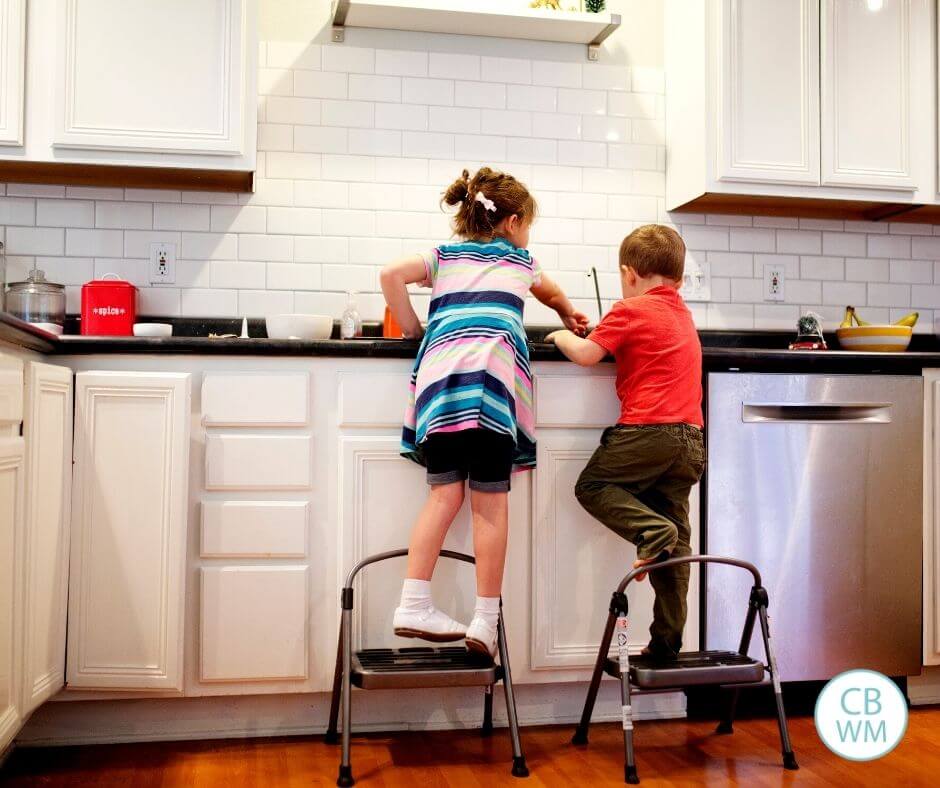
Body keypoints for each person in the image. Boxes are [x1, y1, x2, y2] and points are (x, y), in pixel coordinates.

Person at [381, 167, 589, 657]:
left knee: (442, 497)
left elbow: (390, 275)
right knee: (489, 507)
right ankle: (484, 621)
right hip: (490, 391)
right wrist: (568, 314)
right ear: (514, 222)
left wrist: (414, 328)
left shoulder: (442, 255)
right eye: (529, 225)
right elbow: (551, 291)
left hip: (441, 389)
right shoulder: (521, 260)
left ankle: (413, 602)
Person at [546, 224, 704, 660]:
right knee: (677, 548)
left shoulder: (628, 310)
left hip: (647, 432)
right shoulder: (681, 313)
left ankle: (651, 530)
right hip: (691, 442)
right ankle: (666, 644)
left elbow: (586, 355)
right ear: (677, 278)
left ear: (628, 273)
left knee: (592, 486)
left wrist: (562, 336)